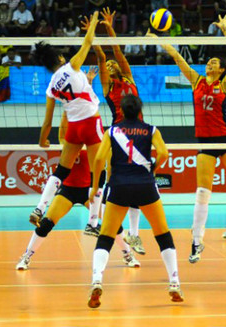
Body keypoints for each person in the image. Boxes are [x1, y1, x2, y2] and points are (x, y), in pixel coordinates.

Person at [147, 14, 226, 264]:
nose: (209, 64)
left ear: (220, 69)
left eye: (213, 62)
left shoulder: (225, 85)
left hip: (225, 139)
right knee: (202, 193)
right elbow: (178, 57)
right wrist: (159, 39)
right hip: (205, 143)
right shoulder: (196, 81)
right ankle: (197, 242)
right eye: (209, 62)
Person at [87, 94, 184, 308]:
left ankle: (96, 280)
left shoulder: (111, 131)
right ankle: (174, 282)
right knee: (163, 234)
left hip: (119, 185)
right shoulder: (151, 130)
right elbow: (165, 152)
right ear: (140, 111)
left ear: (121, 111)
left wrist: (95, 187)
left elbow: (98, 159)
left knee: (105, 236)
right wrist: (153, 169)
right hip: (145, 185)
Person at [16, 116, 140, 271]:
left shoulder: (95, 145)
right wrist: (68, 111)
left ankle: (127, 254)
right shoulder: (68, 143)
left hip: (90, 191)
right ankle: (27, 256)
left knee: (112, 222)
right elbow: (63, 132)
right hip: (68, 190)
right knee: (46, 223)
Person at [30, 12, 104, 239]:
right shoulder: (72, 66)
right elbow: (88, 42)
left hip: (73, 128)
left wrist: (42, 140)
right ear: (60, 58)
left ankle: (40, 207)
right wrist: (92, 24)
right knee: (98, 173)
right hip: (91, 123)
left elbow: (47, 121)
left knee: (62, 170)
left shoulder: (51, 86)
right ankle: (93, 222)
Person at [83, 7, 145, 255]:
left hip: (140, 134)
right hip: (119, 134)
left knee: (139, 183)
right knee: (114, 180)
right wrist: (91, 34)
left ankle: (134, 236)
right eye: (106, 66)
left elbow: (117, 52)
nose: (109, 66)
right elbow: (101, 58)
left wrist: (109, 28)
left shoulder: (128, 77)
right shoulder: (108, 88)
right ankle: (95, 222)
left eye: (111, 65)